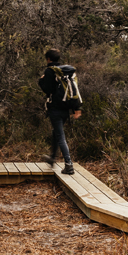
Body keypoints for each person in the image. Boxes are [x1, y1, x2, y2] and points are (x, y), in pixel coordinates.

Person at [38, 47, 82, 175]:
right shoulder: (65, 71)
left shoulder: (50, 71)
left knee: (60, 135)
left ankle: (69, 165)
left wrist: (41, 80)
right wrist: (76, 108)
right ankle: (52, 158)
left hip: (55, 108)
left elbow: (47, 89)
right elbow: (74, 90)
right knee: (56, 132)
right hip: (66, 108)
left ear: (48, 59)